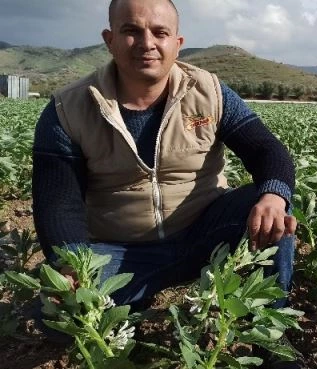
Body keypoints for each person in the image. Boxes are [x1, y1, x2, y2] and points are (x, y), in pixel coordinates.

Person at [31, 0, 299, 367]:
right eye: (131, 31)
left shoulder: (209, 92)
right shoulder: (68, 109)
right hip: (122, 250)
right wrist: (71, 263)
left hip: (204, 233)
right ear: (109, 40)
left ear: (178, 42)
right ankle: (130, 302)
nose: (147, 43)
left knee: (274, 209)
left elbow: (267, 150)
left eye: (160, 32)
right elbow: (58, 201)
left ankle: (270, 338)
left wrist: (273, 195)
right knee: (54, 317)